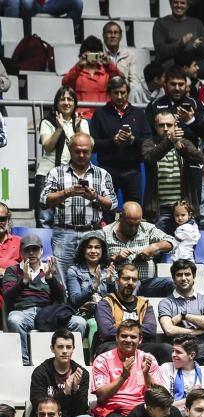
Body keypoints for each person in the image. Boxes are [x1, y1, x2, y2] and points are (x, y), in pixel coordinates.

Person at [40, 133, 117, 282]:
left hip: (92, 233)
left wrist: (95, 197)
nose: (81, 155)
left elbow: (112, 204)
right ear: (69, 149)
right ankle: (64, 305)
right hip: (64, 232)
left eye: (85, 151)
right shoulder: (56, 173)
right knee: (61, 278)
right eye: (77, 151)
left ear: (91, 150)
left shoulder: (102, 174)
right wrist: (67, 192)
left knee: (93, 277)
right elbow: (44, 201)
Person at [3, 235, 87, 365]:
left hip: (48, 314)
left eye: (35, 249)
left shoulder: (50, 269)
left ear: (41, 251)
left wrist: (50, 278)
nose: (31, 253)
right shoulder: (13, 270)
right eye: (27, 250)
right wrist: (24, 281)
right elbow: (8, 297)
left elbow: (61, 297)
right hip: (24, 312)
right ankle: (24, 362)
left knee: (80, 323)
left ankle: (68, 362)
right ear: (21, 252)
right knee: (14, 319)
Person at [89, 77, 149, 220]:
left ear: (128, 92)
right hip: (107, 170)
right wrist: (113, 141)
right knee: (106, 211)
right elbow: (93, 145)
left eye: (123, 92)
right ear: (109, 94)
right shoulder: (100, 114)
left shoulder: (139, 114)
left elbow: (148, 142)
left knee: (134, 211)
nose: (120, 96)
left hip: (132, 170)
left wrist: (133, 140)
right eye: (116, 93)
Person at [30, 329, 104, 417]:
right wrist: (64, 392)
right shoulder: (40, 372)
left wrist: (75, 389)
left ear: (73, 349)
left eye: (68, 347)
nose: (65, 351)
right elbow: (38, 405)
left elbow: (82, 408)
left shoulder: (81, 373)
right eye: (60, 347)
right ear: (52, 348)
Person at [93, 262, 171, 361]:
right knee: (110, 349)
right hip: (113, 344)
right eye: (126, 279)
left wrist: (118, 326)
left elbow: (151, 330)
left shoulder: (144, 304)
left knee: (166, 349)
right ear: (117, 281)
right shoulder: (106, 303)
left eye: (134, 280)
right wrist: (137, 330)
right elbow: (107, 331)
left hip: (139, 345)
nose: (130, 283)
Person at [142, 110, 204, 231]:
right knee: (159, 246)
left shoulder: (183, 142)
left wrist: (180, 147)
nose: (165, 128)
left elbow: (200, 158)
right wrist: (169, 142)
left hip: (182, 208)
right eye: (161, 125)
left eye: (169, 125)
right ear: (155, 126)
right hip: (159, 209)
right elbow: (149, 158)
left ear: (175, 125)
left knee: (186, 246)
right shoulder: (149, 143)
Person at [36, 88, 89, 229]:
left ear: (75, 103)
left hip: (71, 176)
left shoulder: (81, 122)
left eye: (70, 99)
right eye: (62, 99)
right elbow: (47, 147)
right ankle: (45, 251)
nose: (66, 103)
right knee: (44, 219)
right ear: (56, 103)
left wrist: (77, 130)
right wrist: (59, 129)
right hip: (47, 173)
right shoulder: (47, 122)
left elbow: (89, 147)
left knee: (69, 218)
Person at [103, 202, 176, 296]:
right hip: (119, 283)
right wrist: (115, 257)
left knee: (171, 283)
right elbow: (96, 261)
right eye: (129, 224)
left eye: (136, 224)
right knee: (131, 286)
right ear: (120, 217)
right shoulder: (106, 232)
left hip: (146, 282)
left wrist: (155, 247)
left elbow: (172, 242)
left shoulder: (147, 228)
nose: (133, 228)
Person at [153, 0, 204, 77]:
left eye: (182, 3)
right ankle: (185, 73)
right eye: (176, 2)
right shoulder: (161, 23)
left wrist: (198, 47)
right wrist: (180, 45)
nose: (179, 5)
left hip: (195, 62)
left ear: (188, 5)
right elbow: (160, 51)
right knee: (167, 70)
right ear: (170, 3)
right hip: (173, 64)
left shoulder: (197, 23)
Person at [61, 38, 124, 121]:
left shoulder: (107, 72)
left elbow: (120, 82)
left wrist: (109, 64)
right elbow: (65, 83)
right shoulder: (76, 72)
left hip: (105, 116)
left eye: (95, 53)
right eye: (90, 53)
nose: (93, 57)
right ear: (83, 53)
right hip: (81, 117)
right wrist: (79, 65)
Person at [157, 336, 204, 408]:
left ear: (192, 355)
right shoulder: (166, 368)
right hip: (171, 416)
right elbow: (164, 405)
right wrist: (192, 397)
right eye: (173, 351)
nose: (173, 355)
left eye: (178, 352)